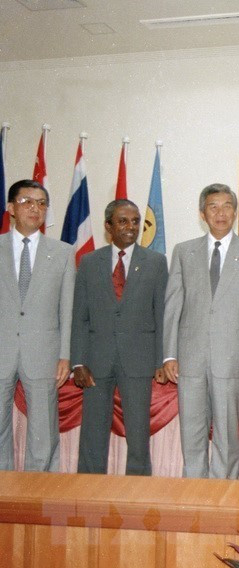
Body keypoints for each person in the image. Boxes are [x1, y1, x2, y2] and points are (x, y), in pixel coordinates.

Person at [163, 183, 239, 479]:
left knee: (226, 435)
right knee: (192, 434)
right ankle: (194, 495)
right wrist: (170, 354)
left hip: (232, 359)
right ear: (202, 213)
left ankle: (226, 495)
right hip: (190, 358)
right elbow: (173, 306)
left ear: (235, 212)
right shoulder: (184, 251)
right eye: (213, 207)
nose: (220, 213)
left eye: (226, 206)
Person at [71, 199, 168, 476]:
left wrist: (161, 359)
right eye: (123, 221)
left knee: (138, 432)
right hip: (96, 361)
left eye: (136, 221)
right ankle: (89, 492)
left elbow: (162, 314)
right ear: (108, 226)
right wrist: (78, 361)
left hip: (139, 359)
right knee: (93, 431)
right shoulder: (89, 262)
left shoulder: (156, 262)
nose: (131, 227)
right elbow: (80, 316)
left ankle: (137, 491)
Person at [0, 179, 74, 471]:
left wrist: (65, 355)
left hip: (44, 353)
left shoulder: (63, 252)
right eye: (27, 201)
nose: (35, 208)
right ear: (10, 209)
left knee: (43, 434)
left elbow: (66, 309)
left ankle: (40, 496)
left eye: (42, 203)